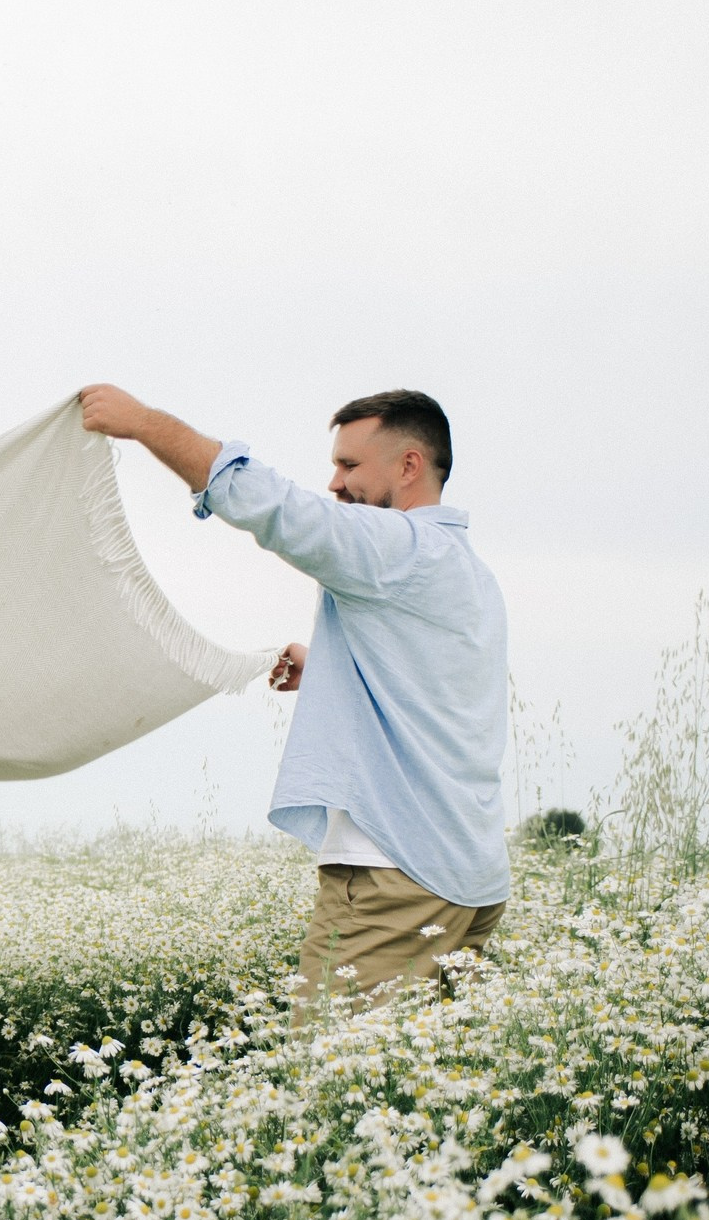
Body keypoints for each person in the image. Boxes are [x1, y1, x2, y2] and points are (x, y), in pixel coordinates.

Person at [78, 383, 509, 1008]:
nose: (335, 483)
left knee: (330, 1071)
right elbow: (435, 684)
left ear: (410, 465)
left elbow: (276, 508)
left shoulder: (396, 549)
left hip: (397, 872)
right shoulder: (466, 569)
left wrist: (142, 423)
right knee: (426, 1081)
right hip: (469, 876)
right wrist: (331, 665)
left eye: (350, 464)